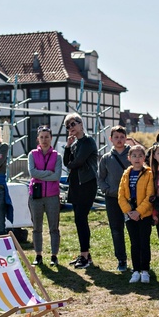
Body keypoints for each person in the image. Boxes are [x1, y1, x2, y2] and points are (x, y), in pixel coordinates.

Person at [63, 113, 98, 269]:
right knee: (78, 220)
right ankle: (85, 254)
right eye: (68, 126)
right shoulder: (75, 143)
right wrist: (67, 147)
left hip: (87, 184)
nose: (71, 127)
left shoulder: (88, 141)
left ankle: (84, 255)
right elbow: (66, 162)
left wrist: (71, 161)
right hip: (76, 184)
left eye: (73, 124)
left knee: (81, 219)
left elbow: (76, 162)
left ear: (81, 124)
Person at [117, 144, 155, 284]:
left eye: (140, 156)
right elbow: (121, 195)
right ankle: (136, 270)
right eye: (134, 156)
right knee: (134, 243)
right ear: (129, 158)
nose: (137, 158)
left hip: (144, 214)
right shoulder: (126, 174)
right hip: (130, 214)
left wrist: (139, 212)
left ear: (144, 158)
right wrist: (129, 211)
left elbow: (150, 195)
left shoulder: (149, 174)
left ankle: (145, 270)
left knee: (144, 242)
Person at [28, 125, 63, 266]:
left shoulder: (57, 156)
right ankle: (38, 255)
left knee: (54, 227)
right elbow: (32, 173)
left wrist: (41, 174)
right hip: (35, 196)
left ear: (51, 138)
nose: (44, 140)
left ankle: (54, 256)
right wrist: (48, 173)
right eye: (41, 137)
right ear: (38, 139)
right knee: (37, 227)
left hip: (52, 196)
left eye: (47, 137)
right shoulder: (32, 154)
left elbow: (57, 176)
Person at [98, 126, 131, 272]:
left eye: (122, 137)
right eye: (116, 137)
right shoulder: (106, 158)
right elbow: (100, 178)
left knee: (133, 229)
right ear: (111, 139)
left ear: (126, 138)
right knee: (116, 230)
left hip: (131, 199)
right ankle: (121, 259)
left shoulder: (133, 154)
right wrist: (108, 190)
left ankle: (139, 260)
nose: (119, 140)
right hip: (112, 198)